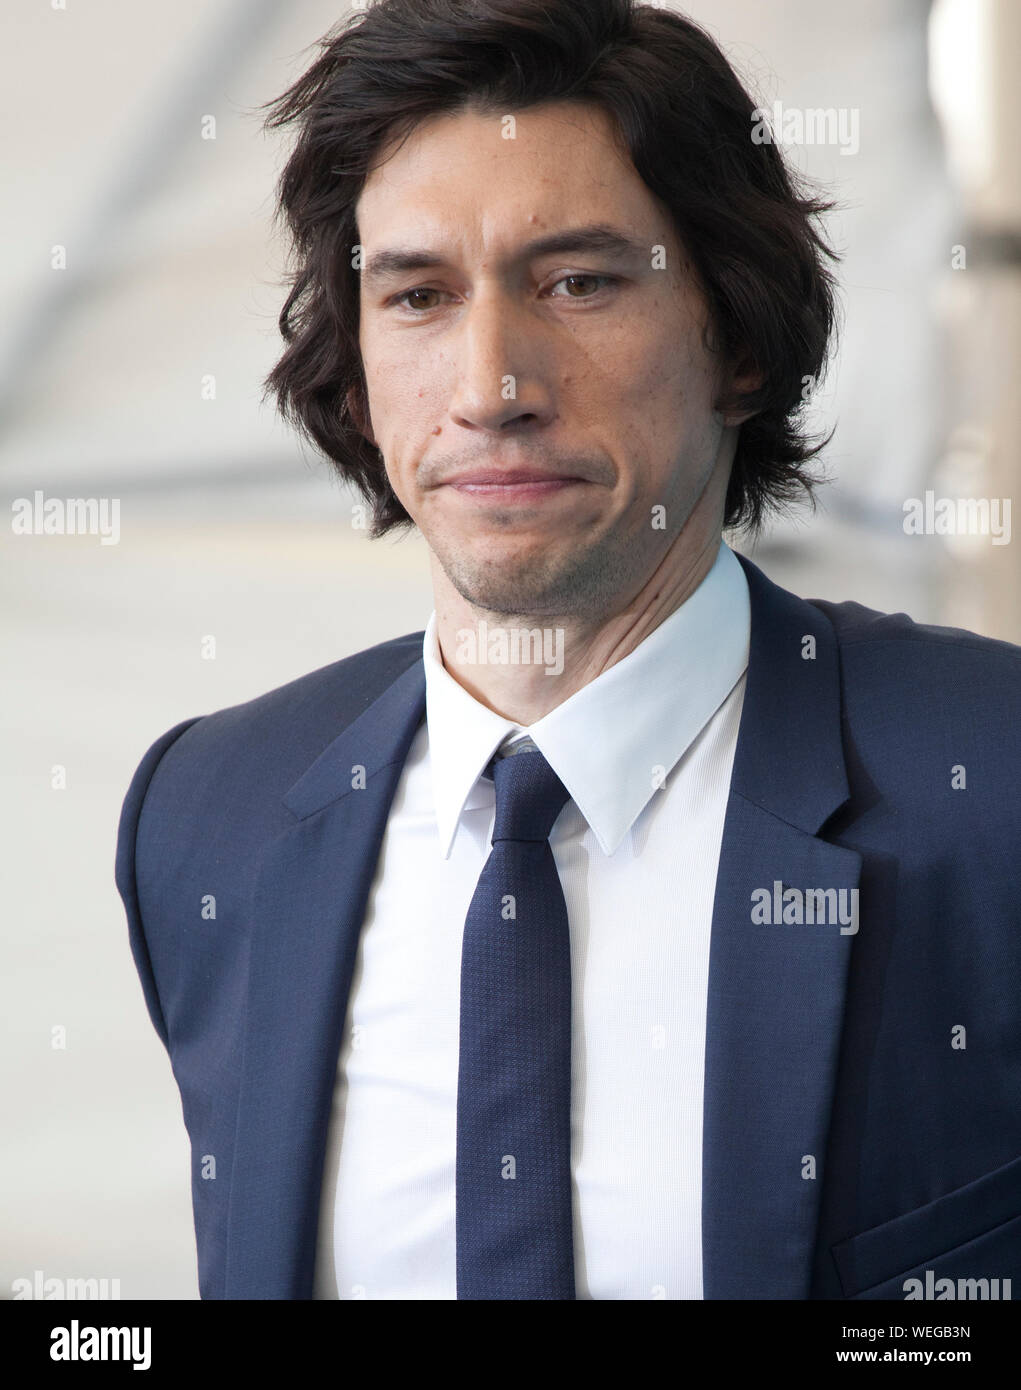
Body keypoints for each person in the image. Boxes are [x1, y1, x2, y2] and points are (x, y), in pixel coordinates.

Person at [115, 0, 1021, 1300]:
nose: (491, 384)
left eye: (579, 281)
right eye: (418, 295)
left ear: (741, 334)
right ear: (355, 365)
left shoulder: (990, 780)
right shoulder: (205, 816)